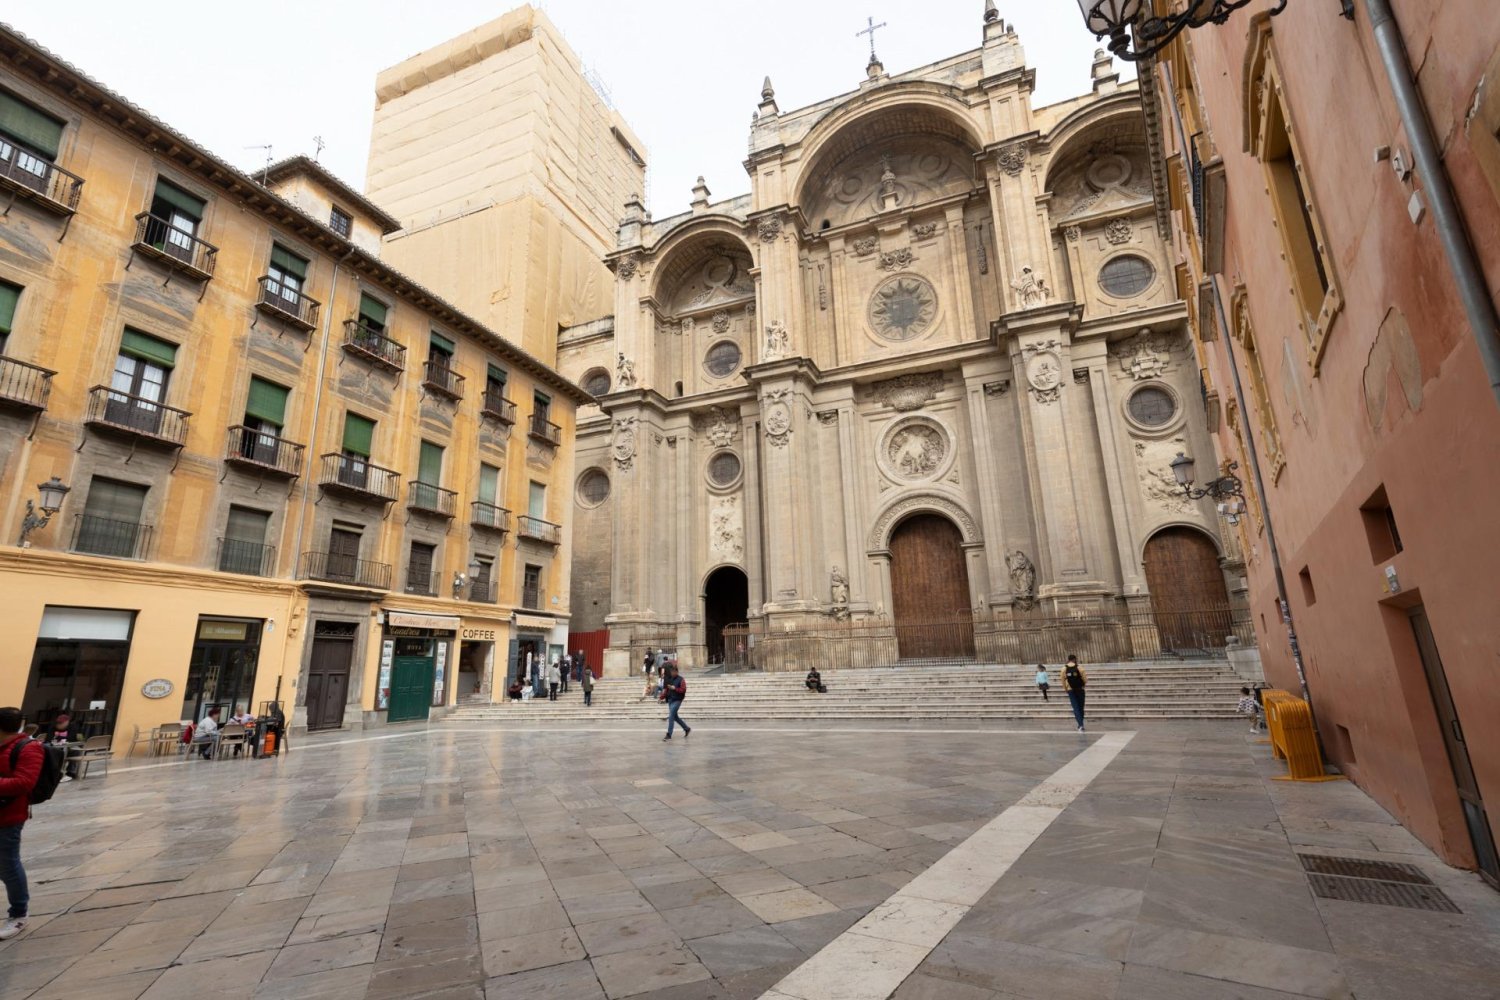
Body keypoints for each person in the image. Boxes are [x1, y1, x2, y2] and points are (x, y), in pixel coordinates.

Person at [0, 706, 44, 940]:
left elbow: (24, 783)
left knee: (8, 865)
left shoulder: (28, 748)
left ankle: (18, 913)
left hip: (8, 816)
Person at [45, 713, 80, 781]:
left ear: (67, 722)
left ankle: (71, 772)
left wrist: (59, 738)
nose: (59, 724)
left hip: (68, 748)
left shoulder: (72, 727)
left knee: (76, 750)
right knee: (49, 749)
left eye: (61, 723)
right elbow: (48, 739)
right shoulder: (52, 727)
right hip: (55, 748)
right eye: (58, 723)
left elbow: (72, 738)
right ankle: (54, 771)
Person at [660, 665, 691, 741]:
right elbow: (666, 690)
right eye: (671, 672)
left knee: (671, 716)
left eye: (674, 672)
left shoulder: (681, 680)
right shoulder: (669, 679)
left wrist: (675, 688)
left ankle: (669, 734)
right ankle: (686, 728)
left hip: (677, 700)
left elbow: (683, 690)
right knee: (675, 717)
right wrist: (661, 697)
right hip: (670, 700)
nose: (672, 673)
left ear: (677, 672)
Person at [1061, 655, 1087, 732]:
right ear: (1075, 659)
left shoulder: (1064, 669)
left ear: (1068, 660)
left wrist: (1066, 689)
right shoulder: (1080, 667)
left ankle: (1080, 725)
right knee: (1081, 707)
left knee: (1075, 707)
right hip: (1080, 689)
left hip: (1070, 690)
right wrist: (1082, 685)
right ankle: (1080, 724)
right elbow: (1085, 679)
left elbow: (1062, 680)